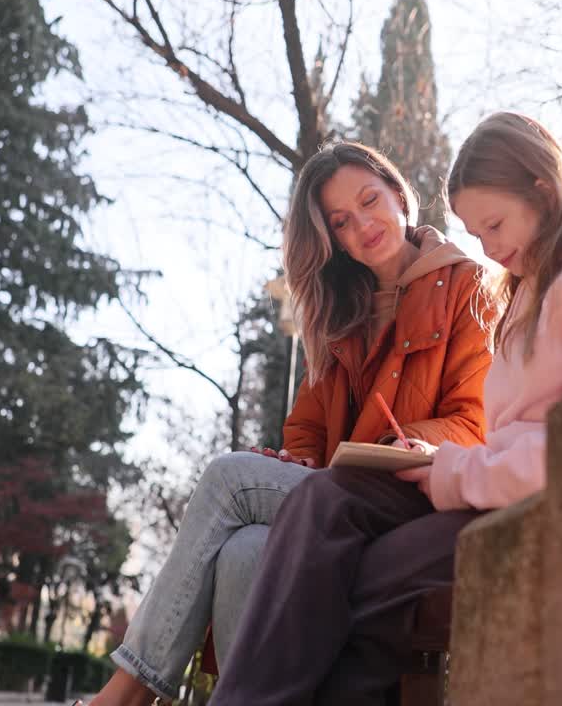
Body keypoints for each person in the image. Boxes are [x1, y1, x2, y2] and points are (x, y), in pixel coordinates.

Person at [209, 112, 562, 705]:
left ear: (543, 187)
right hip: (504, 496)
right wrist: (447, 464)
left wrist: (458, 471)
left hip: (561, 516)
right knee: (329, 496)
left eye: (495, 225)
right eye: (477, 235)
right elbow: (513, 433)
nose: (489, 248)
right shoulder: (529, 293)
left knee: (363, 582)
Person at [87, 141, 495, 706]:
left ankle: (129, 692)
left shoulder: (468, 288)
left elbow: (475, 422)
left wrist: (397, 445)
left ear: (400, 195)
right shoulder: (337, 311)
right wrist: (299, 457)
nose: (363, 225)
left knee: (229, 478)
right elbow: (305, 428)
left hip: (413, 496)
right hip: (332, 496)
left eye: (370, 200)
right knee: (245, 550)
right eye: (341, 222)